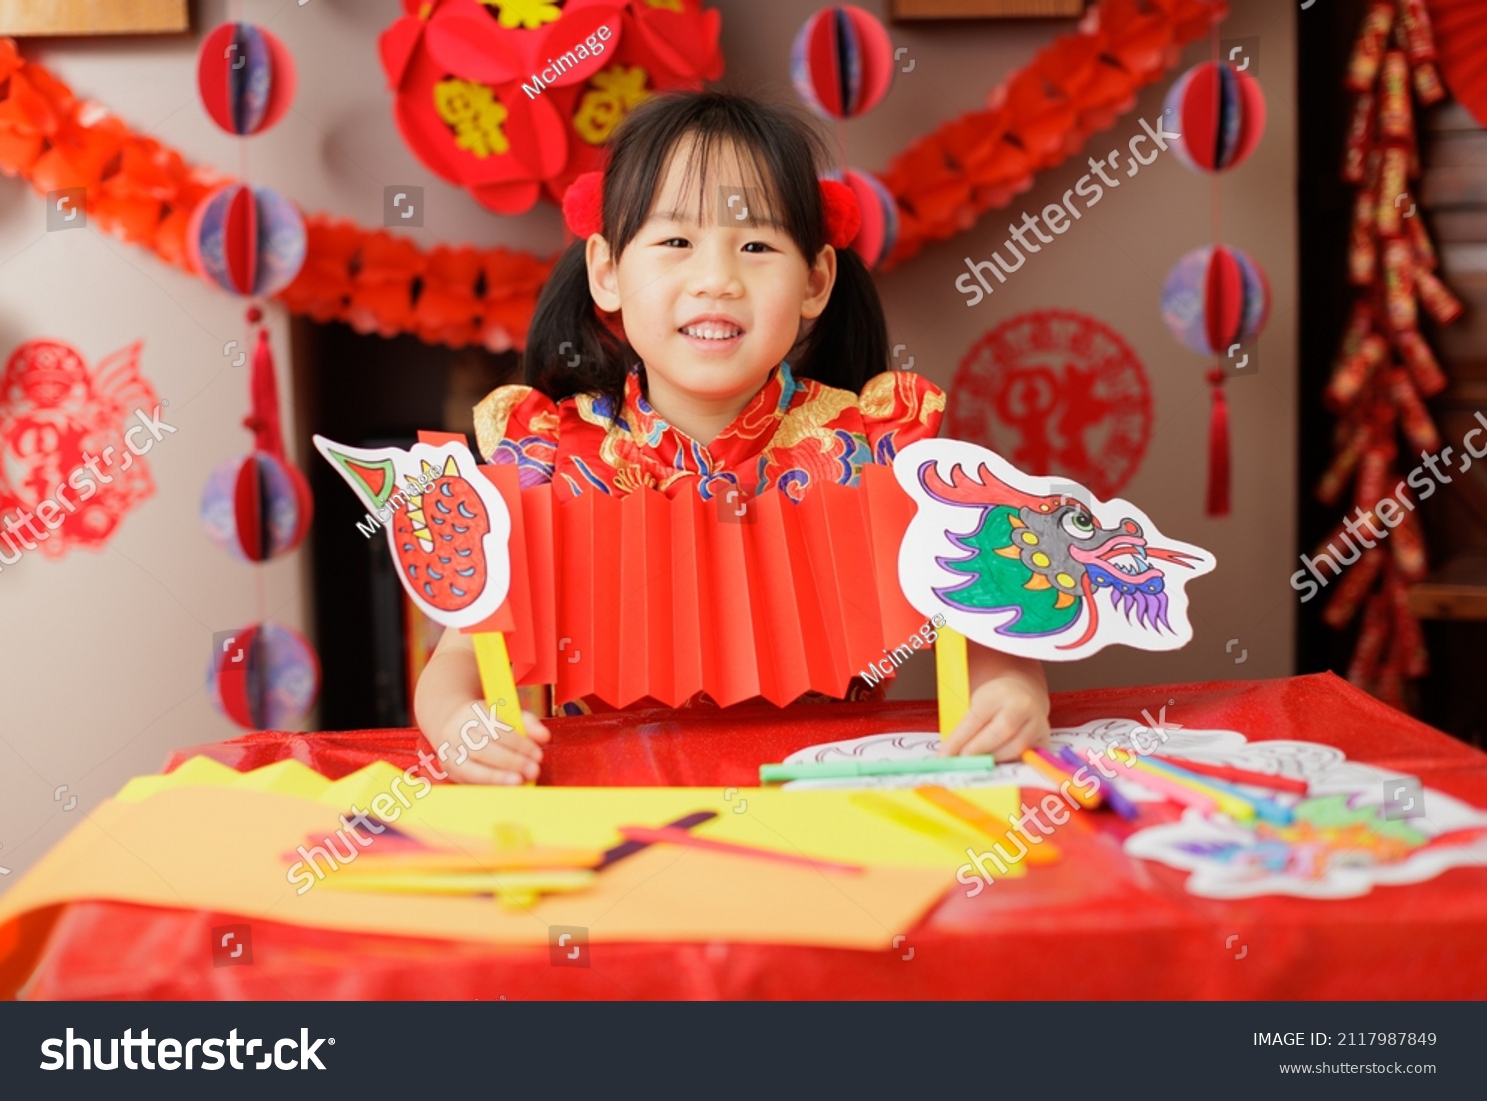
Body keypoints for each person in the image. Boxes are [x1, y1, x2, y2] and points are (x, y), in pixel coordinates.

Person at [414, 91, 1050, 784]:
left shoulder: (873, 450)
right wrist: (458, 724)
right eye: (675, 242)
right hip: (616, 807)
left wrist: (1011, 690)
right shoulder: (552, 459)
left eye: (754, 245)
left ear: (814, 280)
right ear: (606, 271)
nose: (716, 280)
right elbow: (454, 664)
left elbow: (988, 608)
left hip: (836, 799)